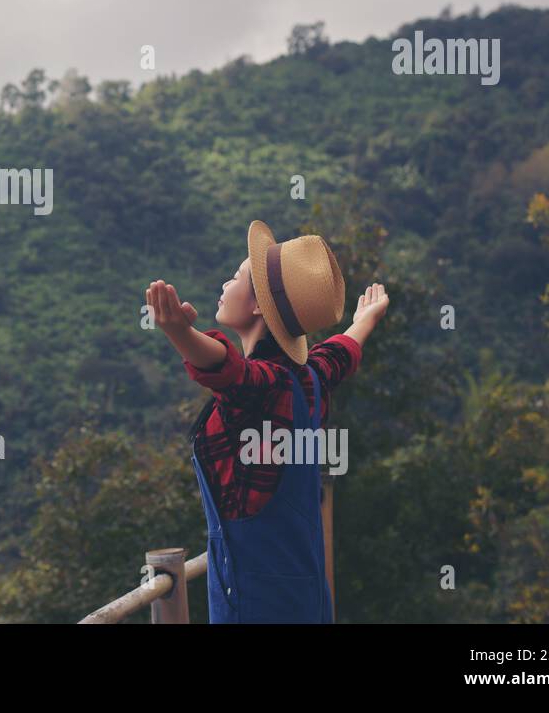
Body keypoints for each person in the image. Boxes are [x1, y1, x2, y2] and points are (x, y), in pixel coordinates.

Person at [146, 219, 389, 623]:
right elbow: (339, 353)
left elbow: (229, 370)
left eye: (237, 276)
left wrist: (180, 334)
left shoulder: (266, 386)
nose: (225, 283)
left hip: (257, 607)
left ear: (259, 306)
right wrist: (365, 319)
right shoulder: (308, 379)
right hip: (307, 599)